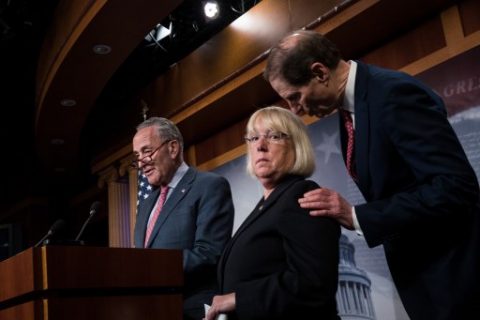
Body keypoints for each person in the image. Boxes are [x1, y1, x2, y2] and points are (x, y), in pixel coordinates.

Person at [264, 30, 480, 320]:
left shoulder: (393, 93)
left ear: (319, 72)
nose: (295, 110)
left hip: (457, 278)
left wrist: (356, 216)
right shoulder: (348, 109)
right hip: (424, 281)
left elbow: (456, 187)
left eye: (295, 97)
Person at [205, 106, 341, 320]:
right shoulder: (268, 203)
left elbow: (313, 285)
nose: (260, 145)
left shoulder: (301, 195)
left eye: (274, 136)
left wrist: (237, 299)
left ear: (296, 146)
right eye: (253, 137)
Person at [132, 117, 235, 320]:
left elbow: (208, 253)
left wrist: (150, 269)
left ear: (172, 148)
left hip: (192, 310)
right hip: (154, 310)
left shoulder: (209, 186)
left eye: (147, 151)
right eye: (137, 156)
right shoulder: (145, 205)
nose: (141, 162)